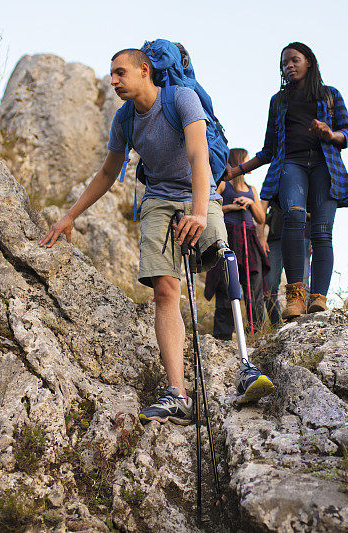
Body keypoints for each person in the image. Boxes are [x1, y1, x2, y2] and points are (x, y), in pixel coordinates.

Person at [40, 48, 274, 425]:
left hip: (199, 194)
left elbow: (199, 156)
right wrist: (69, 215)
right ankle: (177, 395)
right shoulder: (124, 120)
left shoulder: (181, 98)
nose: (113, 81)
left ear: (144, 70)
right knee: (165, 288)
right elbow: (106, 173)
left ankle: (246, 365)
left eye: (120, 73)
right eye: (111, 75)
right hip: (158, 201)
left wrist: (200, 212)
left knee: (226, 258)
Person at [225, 42, 348, 320]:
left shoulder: (330, 95)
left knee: (321, 231)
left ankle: (318, 297)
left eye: (295, 60)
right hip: (291, 164)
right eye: (285, 63)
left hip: (325, 166)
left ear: (309, 61)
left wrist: (331, 134)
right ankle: (296, 297)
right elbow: (269, 149)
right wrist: (236, 171)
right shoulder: (279, 101)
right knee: (293, 219)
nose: (289, 66)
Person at [205, 148, 268, 340]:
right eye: (246, 160)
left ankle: (257, 333)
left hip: (249, 238)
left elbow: (261, 218)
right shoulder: (223, 185)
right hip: (230, 236)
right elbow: (210, 207)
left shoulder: (252, 190)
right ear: (238, 160)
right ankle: (223, 336)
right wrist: (232, 206)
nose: (249, 164)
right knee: (226, 285)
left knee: (254, 285)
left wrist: (249, 204)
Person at [261, 203, 310, 327]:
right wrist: (261, 236)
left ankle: (304, 324)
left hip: (302, 236)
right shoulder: (272, 183)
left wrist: (316, 237)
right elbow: (263, 206)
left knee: (303, 284)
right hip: (275, 237)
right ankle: (277, 326)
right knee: (269, 286)